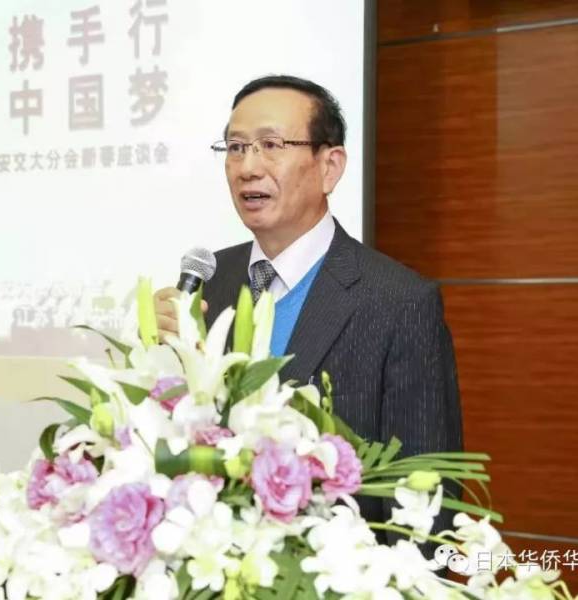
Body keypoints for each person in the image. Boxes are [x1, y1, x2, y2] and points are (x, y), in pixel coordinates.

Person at [154, 75, 462, 542]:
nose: (247, 167)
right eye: (235, 148)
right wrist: (167, 357)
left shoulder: (399, 303)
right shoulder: (210, 282)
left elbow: (426, 509)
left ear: (329, 167)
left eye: (270, 145)